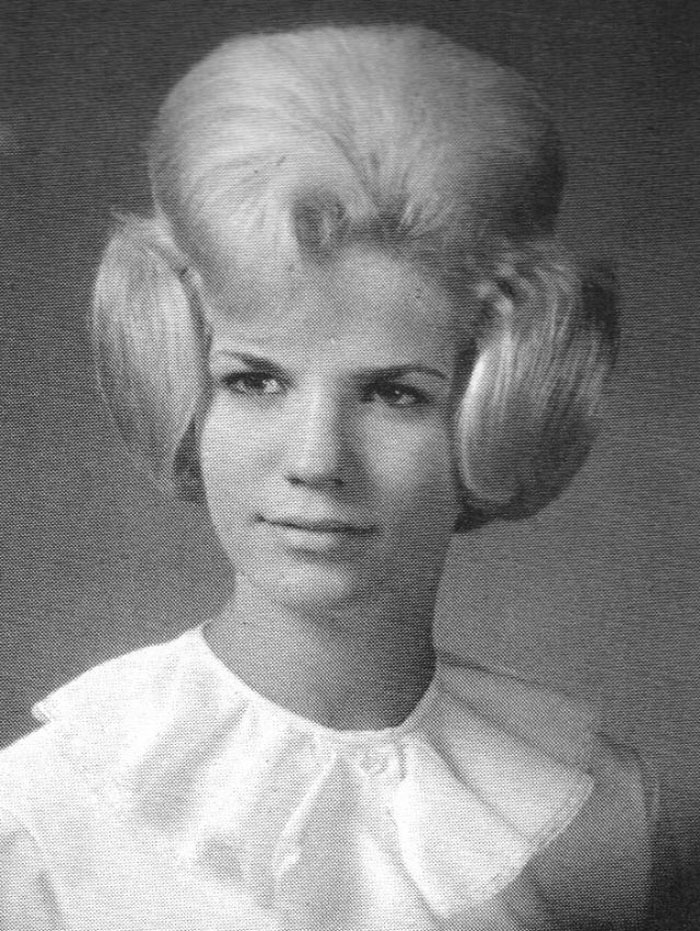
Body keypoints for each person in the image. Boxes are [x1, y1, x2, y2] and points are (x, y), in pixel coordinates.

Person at [0, 21, 658, 930]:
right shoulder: (39, 816)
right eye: (255, 380)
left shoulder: (591, 815)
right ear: (185, 386)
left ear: (490, 409)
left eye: (393, 393)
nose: (316, 460)